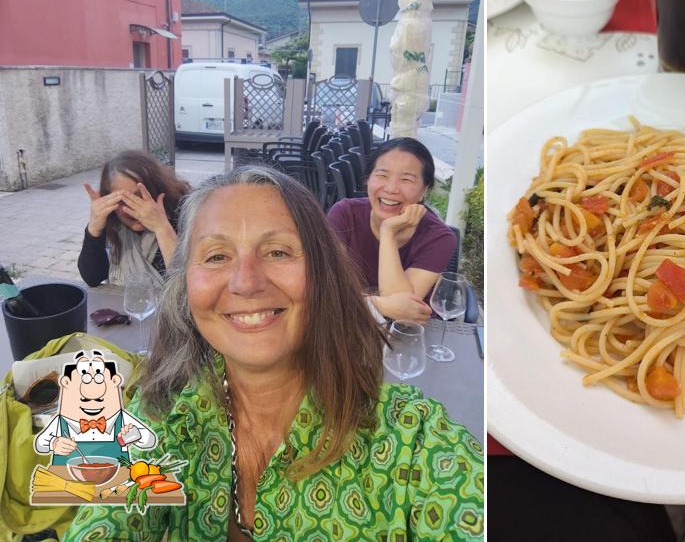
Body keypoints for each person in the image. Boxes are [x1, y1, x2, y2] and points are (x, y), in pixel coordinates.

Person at [67, 166, 484, 540]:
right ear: (186, 286)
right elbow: (100, 518)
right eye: (216, 256)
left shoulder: (414, 442)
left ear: (324, 275)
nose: (246, 282)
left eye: (278, 252)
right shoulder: (159, 408)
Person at [327, 138, 457, 324]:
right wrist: (379, 305)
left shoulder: (439, 237)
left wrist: (388, 232)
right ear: (368, 180)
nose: (391, 188)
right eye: (382, 175)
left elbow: (402, 312)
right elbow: (324, 288)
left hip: (408, 335)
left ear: (424, 191)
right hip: (346, 324)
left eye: (406, 179)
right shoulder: (345, 214)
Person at [77, 151, 190, 287]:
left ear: (158, 190)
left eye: (139, 197)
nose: (131, 211)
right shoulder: (113, 223)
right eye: (122, 200)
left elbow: (186, 285)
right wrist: (93, 230)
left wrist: (162, 228)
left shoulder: (185, 216)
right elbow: (92, 278)